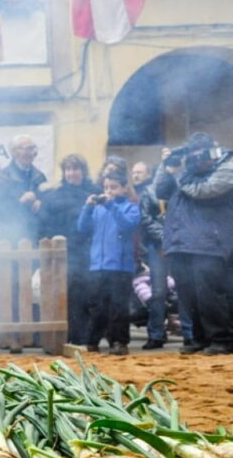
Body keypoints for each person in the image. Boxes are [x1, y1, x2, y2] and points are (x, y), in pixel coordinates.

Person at [154, 132, 233, 355]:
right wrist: (165, 165)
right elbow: (160, 190)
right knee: (188, 295)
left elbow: (204, 190)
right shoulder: (185, 171)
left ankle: (222, 339)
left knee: (210, 294)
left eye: (199, 156)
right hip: (181, 242)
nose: (195, 161)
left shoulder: (227, 167)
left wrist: (178, 173)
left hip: (210, 244)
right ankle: (198, 338)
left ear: (211, 151)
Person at [77, 172, 141, 355]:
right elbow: (82, 228)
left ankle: (119, 342)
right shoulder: (98, 209)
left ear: (123, 188)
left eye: (113, 187)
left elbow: (128, 226)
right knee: (97, 306)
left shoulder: (131, 207)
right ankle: (93, 341)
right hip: (98, 265)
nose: (109, 191)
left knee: (118, 307)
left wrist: (112, 205)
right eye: (106, 188)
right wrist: (87, 208)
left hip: (120, 266)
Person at [39, 154, 98, 346]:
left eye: (76, 169)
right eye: (68, 169)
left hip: (92, 252)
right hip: (68, 253)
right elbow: (45, 225)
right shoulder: (55, 196)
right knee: (73, 295)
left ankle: (92, 337)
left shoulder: (95, 193)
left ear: (83, 171)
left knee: (92, 294)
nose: (72, 173)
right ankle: (76, 336)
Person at [130, 161, 168, 349]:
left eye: (140, 172)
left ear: (149, 173)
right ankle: (156, 333)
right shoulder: (130, 192)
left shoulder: (156, 190)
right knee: (156, 292)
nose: (136, 175)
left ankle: (162, 333)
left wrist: (165, 239)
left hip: (162, 245)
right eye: (134, 172)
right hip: (148, 247)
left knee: (161, 291)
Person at [0, 134, 47, 243]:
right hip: (12, 235)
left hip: (37, 233)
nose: (32, 153)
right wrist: (21, 201)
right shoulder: (3, 176)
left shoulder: (40, 176)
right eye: (28, 149)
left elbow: (48, 203)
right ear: (15, 152)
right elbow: (0, 208)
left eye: (33, 148)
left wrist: (42, 202)